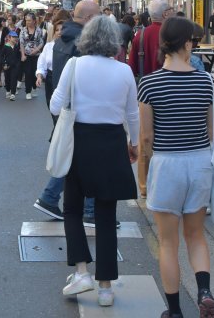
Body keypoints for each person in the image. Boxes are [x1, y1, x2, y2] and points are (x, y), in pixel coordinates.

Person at [50, 16, 139, 307]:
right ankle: (105, 287)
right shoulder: (124, 70)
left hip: (79, 142)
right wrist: (134, 143)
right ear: (114, 41)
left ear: (86, 38)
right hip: (112, 143)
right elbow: (132, 114)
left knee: (73, 209)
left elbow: (55, 104)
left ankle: (81, 271)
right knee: (105, 216)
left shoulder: (75, 65)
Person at [138, 17, 214, 318]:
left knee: (168, 243)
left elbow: (146, 136)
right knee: (196, 236)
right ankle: (205, 291)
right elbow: (211, 130)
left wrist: (148, 166)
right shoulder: (205, 81)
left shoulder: (149, 83)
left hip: (166, 163)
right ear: (187, 44)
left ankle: (174, 311)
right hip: (198, 162)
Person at [33, 0, 101, 224]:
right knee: (88, 159)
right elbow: (87, 77)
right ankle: (88, 211)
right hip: (82, 107)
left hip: (71, 106)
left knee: (72, 157)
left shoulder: (63, 39)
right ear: (90, 19)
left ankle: (50, 198)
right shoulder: (82, 41)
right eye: (98, 16)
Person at [129, 0, 173, 197]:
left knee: (145, 138)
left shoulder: (141, 33)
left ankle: (145, 187)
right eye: (171, 9)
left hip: (145, 91)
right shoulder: (171, 35)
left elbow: (131, 67)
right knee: (169, 138)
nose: (172, 12)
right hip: (169, 92)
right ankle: (167, 183)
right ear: (165, 14)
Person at [36, 11, 71, 111]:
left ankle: (57, 126)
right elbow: (42, 63)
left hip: (65, 77)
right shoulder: (49, 46)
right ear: (54, 32)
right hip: (51, 78)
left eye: (62, 29)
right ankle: (56, 125)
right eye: (57, 30)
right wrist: (39, 76)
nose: (60, 32)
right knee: (51, 105)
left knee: (63, 108)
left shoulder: (71, 46)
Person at [19, 12, 45, 100]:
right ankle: (28, 91)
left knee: (34, 72)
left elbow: (42, 42)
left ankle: (34, 88)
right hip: (26, 54)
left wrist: (37, 50)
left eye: (29, 20)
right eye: (26, 20)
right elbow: (21, 43)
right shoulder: (23, 30)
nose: (28, 22)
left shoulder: (39, 30)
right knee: (27, 73)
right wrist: (22, 54)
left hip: (36, 54)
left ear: (34, 21)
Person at [2, 31, 21, 100]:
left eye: (16, 37)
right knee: (7, 79)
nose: (15, 38)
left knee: (14, 79)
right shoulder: (5, 46)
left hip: (15, 66)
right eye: (13, 37)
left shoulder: (16, 47)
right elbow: (1, 56)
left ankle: (13, 93)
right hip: (7, 66)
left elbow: (18, 57)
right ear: (9, 38)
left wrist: (18, 64)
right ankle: (7, 91)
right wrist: (4, 64)